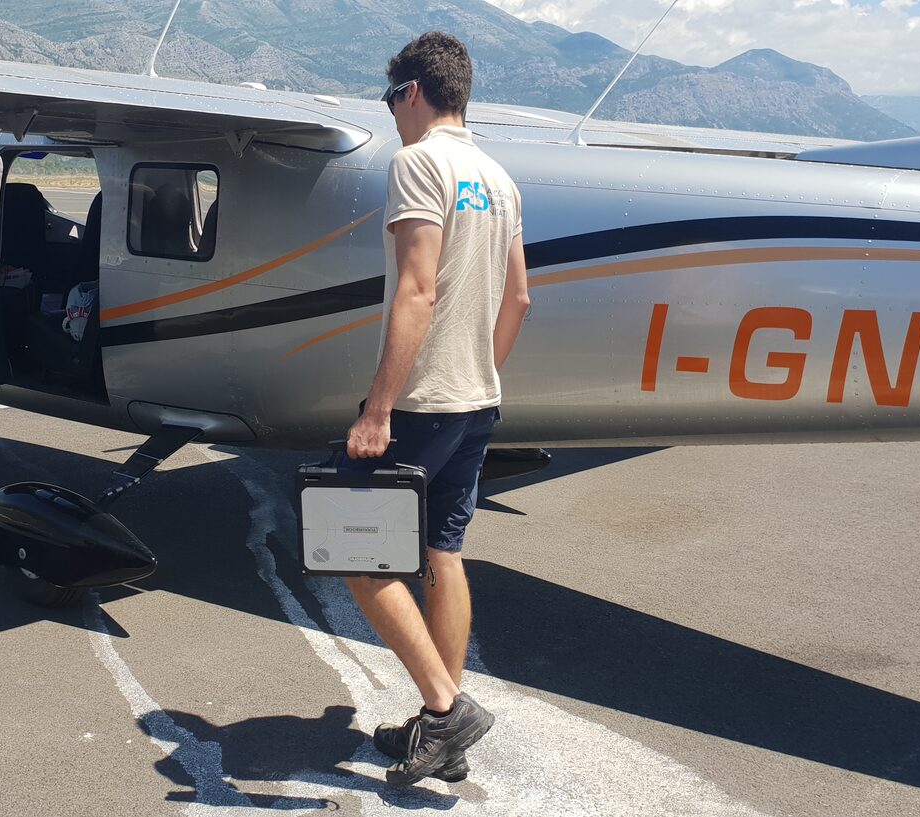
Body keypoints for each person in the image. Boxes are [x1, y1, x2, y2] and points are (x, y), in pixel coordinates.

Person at [340, 30, 529, 787]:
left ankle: (446, 711)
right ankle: (437, 724)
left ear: (413, 92)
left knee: (349, 546)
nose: (391, 115)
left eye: (391, 99)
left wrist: (377, 408)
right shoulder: (498, 177)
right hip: (477, 400)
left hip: (420, 402)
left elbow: (417, 290)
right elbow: (517, 297)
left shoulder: (419, 163)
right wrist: (477, 373)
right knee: (441, 553)